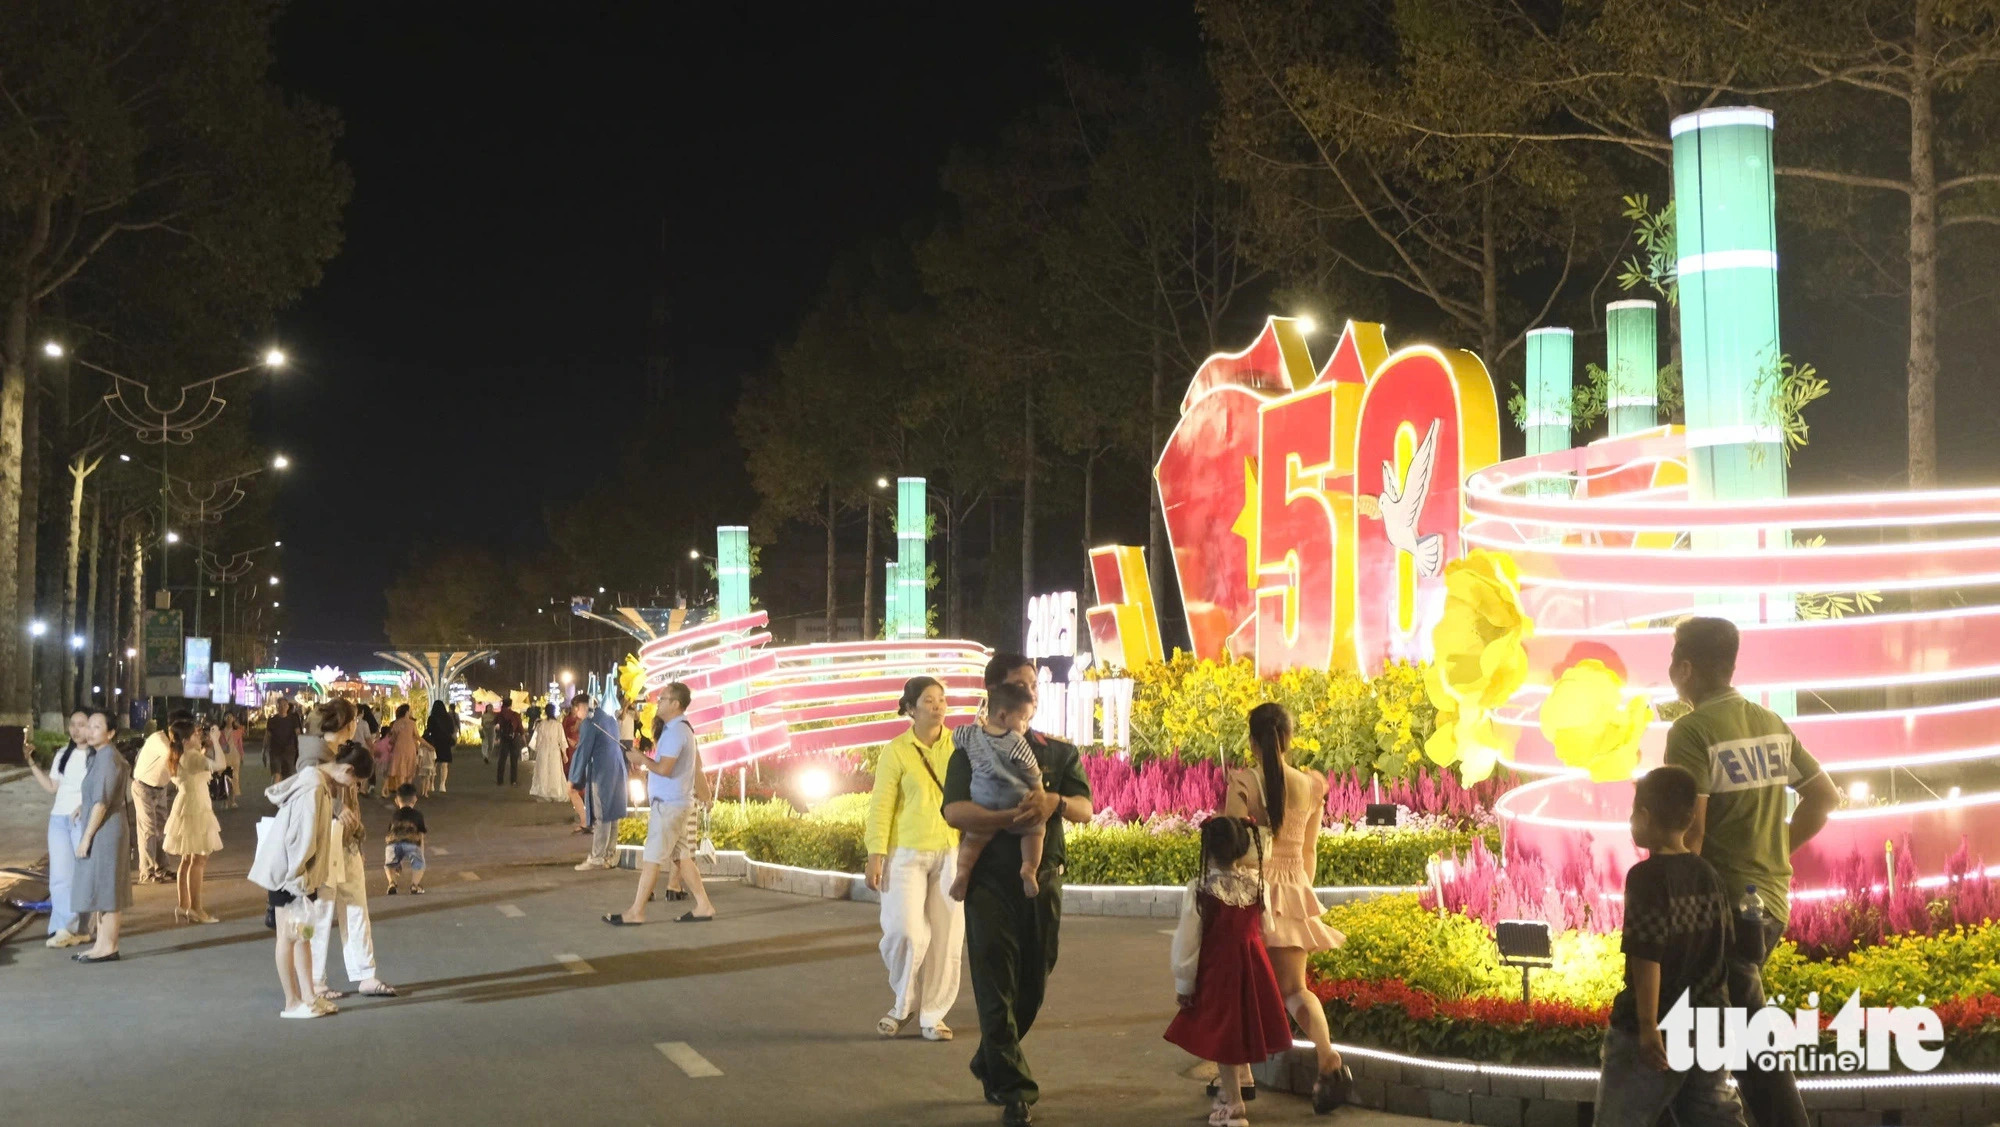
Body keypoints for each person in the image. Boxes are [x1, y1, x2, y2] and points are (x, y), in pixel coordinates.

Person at [1663, 617, 1838, 1127]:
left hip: (1721, 913)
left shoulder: (1690, 732)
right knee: (1719, 1035)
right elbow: (1824, 796)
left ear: (1687, 668)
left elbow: (1689, 835)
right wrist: (1775, 846)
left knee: (1747, 1043)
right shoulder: (1770, 723)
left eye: (1674, 658)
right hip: (1770, 905)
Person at [943, 654, 1092, 1127]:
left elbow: (1085, 809)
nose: (1030, 691)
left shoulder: (1054, 751)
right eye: (1019, 684)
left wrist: (1056, 802)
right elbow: (956, 812)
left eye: (1033, 683)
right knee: (994, 982)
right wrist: (1008, 819)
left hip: (1041, 878)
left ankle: (992, 1058)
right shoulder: (968, 749)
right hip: (988, 880)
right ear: (996, 694)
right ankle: (1015, 1090)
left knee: (1033, 981)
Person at [1594, 765, 1748, 1127]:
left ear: (1645, 817)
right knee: (1713, 1113)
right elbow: (1725, 945)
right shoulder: (1708, 874)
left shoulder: (1646, 879)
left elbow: (1647, 954)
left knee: (1620, 1118)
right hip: (1709, 1017)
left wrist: (1648, 1025)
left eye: (1634, 812)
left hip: (1660, 1023)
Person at [1223, 702, 1352, 1114]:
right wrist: (1300, 889)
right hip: (1294, 889)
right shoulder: (1312, 786)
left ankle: (1238, 1078)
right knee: (1296, 990)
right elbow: (1310, 849)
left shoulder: (1244, 782)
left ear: (1252, 742)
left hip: (1252, 894)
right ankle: (1328, 1057)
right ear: (1289, 738)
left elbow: (1231, 847)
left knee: (1238, 990)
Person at [1165, 816, 1292, 1127]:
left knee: (1224, 1034)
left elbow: (1188, 942)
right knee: (1242, 1025)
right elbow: (1266, 928)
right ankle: (1241, 1082)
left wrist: (1185, 982)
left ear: (1208, 851)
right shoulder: (1256, 885)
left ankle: (1234, 1104)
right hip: (1252, 962)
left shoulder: (1201, 889)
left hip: (1218, 968)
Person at [863, 677, 963, 1042]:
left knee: (947, 939)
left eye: (941, 699)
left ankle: (933, 1016)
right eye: (929, 700)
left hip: (951, 852)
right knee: (905, 932)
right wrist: (876, 853)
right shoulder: (897, 750)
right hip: (905, 853)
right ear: (910, 708)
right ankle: (903, 1002)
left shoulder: (960, 746)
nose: (938, 706)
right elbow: (881, 805)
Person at [251, 740, 374, 1019]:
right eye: (354, 780)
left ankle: (308, 997)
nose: (351, 787)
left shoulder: (317, 780)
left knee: (302, 934)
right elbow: (301, 837)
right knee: (288, 936)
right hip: (291, 872)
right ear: (348, 769)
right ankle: (291, 1002)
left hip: (299, 871)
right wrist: (300, 879)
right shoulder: (315, 787)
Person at [305, 702, 399, 1002]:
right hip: (325, 841)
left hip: (346, 842)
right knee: (321, 911)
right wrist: (335, 806)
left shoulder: (344, 748)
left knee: (356, 904)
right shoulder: (314, 748)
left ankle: (365, 974)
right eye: (353, 720)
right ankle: (315, 981)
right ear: (344, 723)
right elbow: (305, 784)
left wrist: (357, 834)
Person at [603, 682, 714, 925]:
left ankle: (636, 912)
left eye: (663, 699)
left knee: (652, 858)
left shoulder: (676, 731)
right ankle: (704, 905)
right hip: (676, 804)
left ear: (675, 704)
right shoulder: (679, 729)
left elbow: (664, 768)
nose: (658, 702)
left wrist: (641, 758)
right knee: (682, 857)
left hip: (669, 806)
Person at [947, 682, 1046, 902]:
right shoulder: (1016, 741)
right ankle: (1029, 868)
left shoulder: (968, 734)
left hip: (983, 798)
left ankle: (963, 872)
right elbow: (1031, 769)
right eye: (1023, 719)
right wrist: (1038, 791)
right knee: (1034, 830)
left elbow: (955, 738)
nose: (1025, 726)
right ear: (1003, 715)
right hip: (1014, 799)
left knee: (973, 839)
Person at [20, 709, 93, 948]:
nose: (75, 729)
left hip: (81, 820)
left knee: (81, 876)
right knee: (60, 877)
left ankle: (81, 927)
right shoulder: (63, 753)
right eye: (72, 724)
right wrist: (31, 761)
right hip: (58, 820)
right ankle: (62, 928)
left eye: (81, 724)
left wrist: (86, 804)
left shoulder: (97, 756)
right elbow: (52, 787)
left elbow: (104, 788)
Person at [68, 709, 132, 963]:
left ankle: (109, 946)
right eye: (89, 726)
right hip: (102, 826)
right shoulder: (100, 756)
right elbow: (96, 795)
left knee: (108, 888)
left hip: (106, 830)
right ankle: (100, 945)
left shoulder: (107, 758)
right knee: (101, 887)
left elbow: (102, 802)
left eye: (97, 727)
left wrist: (86, 838)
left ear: (111, 732)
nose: (90, 731)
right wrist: (82, 807)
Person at [162, 714, 225, 924]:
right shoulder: (192, 757)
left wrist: (206, 746)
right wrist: (216, 740)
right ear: (187, 739)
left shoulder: (180, 755)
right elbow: (220, 765)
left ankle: (183, 905)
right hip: (196, 807)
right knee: (199, 859)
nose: (200, 737)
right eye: (196, 735)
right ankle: (197, 909)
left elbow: (201, 763)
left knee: (188, 859)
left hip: (185, 805)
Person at [566, 694, 628, 870]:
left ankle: (597, 857)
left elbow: (583, 751)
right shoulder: (610, 719)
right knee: (613, 814)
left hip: (602, 773)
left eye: (575, 709)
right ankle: (609, 854)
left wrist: (574, 779)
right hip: (617, 770)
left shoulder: (590, 723)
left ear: (580, 707)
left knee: (602, 815)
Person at [130, 708, 190, 884]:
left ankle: (161, 868)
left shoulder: (173, 743)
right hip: (144, 788)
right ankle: (146, 873)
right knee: (148, 830)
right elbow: (177, 761)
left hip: (160, 788)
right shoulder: (159, 740)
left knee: (161, 829)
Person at [383, 784, 428, 895]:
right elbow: (421, 834)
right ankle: (414, 885)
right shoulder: (418, 815)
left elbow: (390, 834)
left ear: (396, 800)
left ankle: (392, 883)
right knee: (419, 864)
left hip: (392, 844)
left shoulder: (394, 815)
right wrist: (421, 850)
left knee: (390, 864)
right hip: (412, 842)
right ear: (415, 799)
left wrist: (397, 861)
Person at [528, 703, 570, 802]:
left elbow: (538, 741)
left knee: (543, 771)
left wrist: (538, 748)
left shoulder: (541, 724)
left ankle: (543, 793)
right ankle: (555, 793)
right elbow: (562, 740)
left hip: (543, 750)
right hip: (554, 750)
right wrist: (564, 754)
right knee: (555, 771)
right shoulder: (558, 725)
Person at [423, 698, 458, 794]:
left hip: (435, 742)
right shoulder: (447, 717)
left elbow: (429, 729)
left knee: (433, 763)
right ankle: (442, 785)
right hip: (445, 742)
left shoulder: (432, 718)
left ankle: (432, 784)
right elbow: (451, 730)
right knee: (444, 765)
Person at [384, 703, 419, 797]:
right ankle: (409, 793)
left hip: (399, 749)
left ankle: (401, 794)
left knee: (400, 772)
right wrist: (422, 747)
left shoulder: (396, 723)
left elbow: (393, 738)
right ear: (407, 712)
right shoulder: (412, 723)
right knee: (409, 771)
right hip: (410, 748)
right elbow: (416, 737)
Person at [492, 696, 524, 786]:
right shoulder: (515, 714)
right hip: (514, 739)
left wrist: (497, 737)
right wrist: (523, 738)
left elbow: (495, 724)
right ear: (511, 704)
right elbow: (520, 728)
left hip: (504, 738)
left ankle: (500, 780)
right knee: (514, 760)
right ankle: (513, 780)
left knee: (502, 759)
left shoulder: (500, 714)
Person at [266, 698, 300, 781]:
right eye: (280, 705)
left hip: (290, 752)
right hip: (275, 751)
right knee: (276, 775)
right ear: (277, 707)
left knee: (288, 776)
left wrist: (300, 748)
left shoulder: (293, 719)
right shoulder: (272, 720)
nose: (282, 707)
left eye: (284, 705)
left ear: (288, 706)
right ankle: (274, 792)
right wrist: (264, 750)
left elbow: (298, 734)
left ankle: (285, 793)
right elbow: (267, 736)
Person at [220, 710, 246, 810]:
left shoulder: (238, 731)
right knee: (224, 778)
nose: (229, 718)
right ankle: (225, 801)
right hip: (223, 756)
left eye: (231, 716)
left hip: (234, 756)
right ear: (224, 718)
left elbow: (240, 744)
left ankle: (233, 800)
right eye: (227, 716)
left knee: (234, 778)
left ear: (234, 719)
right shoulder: (220, 731)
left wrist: (242, 755)